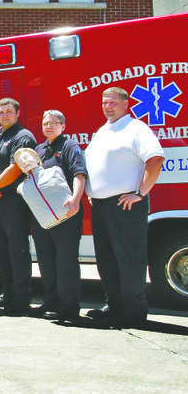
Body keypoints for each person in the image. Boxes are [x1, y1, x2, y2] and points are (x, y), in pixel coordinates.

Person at [85, 87, 165, 327]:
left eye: (112, 102)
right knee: (106, 260)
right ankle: (115, 306)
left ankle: (133, 312)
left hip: (125, 206)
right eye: (104, 103)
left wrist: (140, 192)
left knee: (129, 259)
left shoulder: (136, 128)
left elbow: (156, 158)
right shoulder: (103, 131)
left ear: (125, 103)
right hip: (101, 206)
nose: (107, 107)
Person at [27, 110, 87, 321]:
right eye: (45, 124)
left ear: (63, 126)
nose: (49, 127)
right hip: (43, 217)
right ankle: (51, 302)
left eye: (54, 123)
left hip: (66, 213)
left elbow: (80, 173)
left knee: (65, 261)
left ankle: (68, 307)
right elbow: (33, 179)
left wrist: (76, 199)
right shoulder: (39, 150)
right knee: (46, 260)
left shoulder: (69, 146)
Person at [0, 97, 36, 315]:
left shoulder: (23, 137)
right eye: (1, 112)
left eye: (8, 111)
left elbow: (16, 168)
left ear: (17, 112)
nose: (4, 115)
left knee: (17, 249)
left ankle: (21, 299)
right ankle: (7, 293)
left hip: (15, 202)